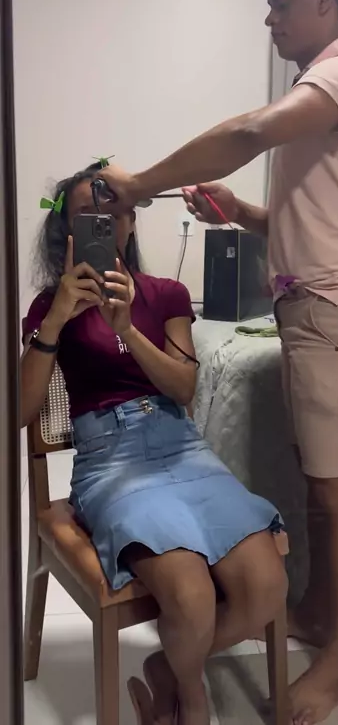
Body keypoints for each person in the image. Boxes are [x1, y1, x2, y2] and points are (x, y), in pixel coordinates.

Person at [99, 0, 338, 724]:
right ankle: (317, 615)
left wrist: (140, 183)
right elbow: (318, 226)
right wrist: (242, 214)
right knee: (321, 482)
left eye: (281, 0)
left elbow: (248, 132)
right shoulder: (329, 87)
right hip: (322, 305)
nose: (269, 17)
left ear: (327, 1)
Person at [21, 164, 287, 725]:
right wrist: (57, 321)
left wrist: (127, 329)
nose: (104, 222)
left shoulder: (167, 293)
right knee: (190, 597)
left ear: (130, 220)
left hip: (182, 448)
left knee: (267, 587)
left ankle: (166, 669)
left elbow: (183, 388)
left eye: (114, 210)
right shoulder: (51, 306)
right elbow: (20, 414)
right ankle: (192, 699)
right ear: (67, 230)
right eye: (87, 214)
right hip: (108, 459)